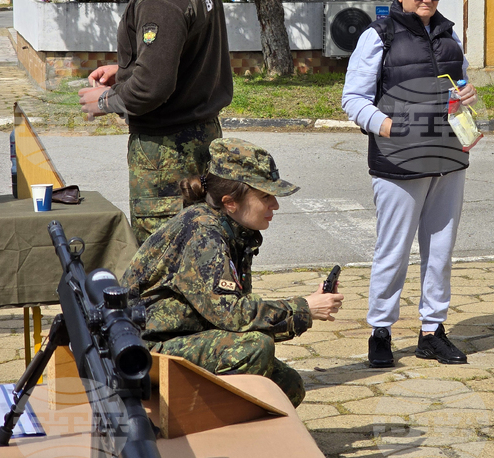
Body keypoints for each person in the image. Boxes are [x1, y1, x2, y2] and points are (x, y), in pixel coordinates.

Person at [121, 138, 344, 407]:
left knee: (287, 387)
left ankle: (233, 426)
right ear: (230, 202)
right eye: (265, 196)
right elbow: (232, 315)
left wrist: (305, 307)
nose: (275, 205)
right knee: (254, 348)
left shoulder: (231, 227)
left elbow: (231, 313)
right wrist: (305, 308)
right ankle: (210, 433)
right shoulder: (203, 232)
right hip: (143, 350)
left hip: (183, 336)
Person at [78, 0, 233, 243]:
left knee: (166, 263)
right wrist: (127, 69)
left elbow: (152, 86)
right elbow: (183, 53)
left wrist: (104, 101)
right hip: (199, 136)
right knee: (200, 251)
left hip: (168, 155)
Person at [341, 0, 476, 368]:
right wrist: (389, 129)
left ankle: (432, 331)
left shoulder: (449, 34)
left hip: (449, 158)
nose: (429, 0)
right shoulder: (377, 36)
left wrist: (467, 100)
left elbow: (461, 83)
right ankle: (380, 331)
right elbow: (353, 100)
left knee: (440, 251)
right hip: (398, 162)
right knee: (393, 250)